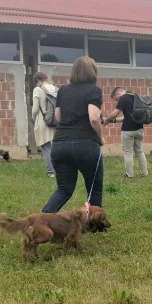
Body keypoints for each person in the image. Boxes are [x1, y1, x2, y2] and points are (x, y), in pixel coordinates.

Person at [41, 57, 104, 213]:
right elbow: (94, 118)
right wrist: (100, 137)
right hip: (85, 145)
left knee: (64, 189)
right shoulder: (93, 90)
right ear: (93, 72)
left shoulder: (63, 90)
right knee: (93, 189)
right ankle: (95, 225)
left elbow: (58, 116)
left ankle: (41, 220)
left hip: (60, 144)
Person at [101, 87, 149, 178]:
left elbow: (115, 113)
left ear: (118, 93)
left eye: (116, 99)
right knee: (139, 151)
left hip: (128, 131)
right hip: (139, 129)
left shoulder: (123, 98)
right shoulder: (136, 97)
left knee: (128, 152)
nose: (117, 100)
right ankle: (145, 173)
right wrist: (112, 121)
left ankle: (129, 175)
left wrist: (106, 120)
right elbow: (126, 117)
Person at [31, 72, 57, 177]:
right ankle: (60, 169)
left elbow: (35, 109)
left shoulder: (38, 89)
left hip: (43, 120)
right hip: (55, 121)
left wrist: (33, 118)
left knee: (46, 147)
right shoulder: (56, 89)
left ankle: (50, 172)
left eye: (36, 83)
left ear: (38, 80)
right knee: (55, 147)